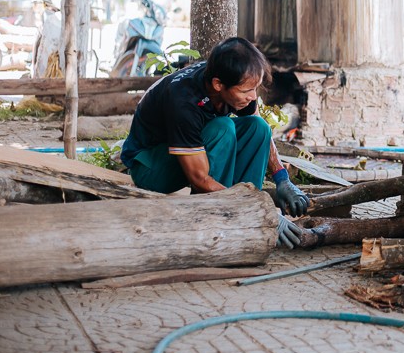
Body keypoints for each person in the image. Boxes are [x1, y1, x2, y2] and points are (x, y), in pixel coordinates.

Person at [120, 36, 307, 249]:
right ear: (218, 85)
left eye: (255, 89)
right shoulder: (183, 99)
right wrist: (262, 209)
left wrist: (282, 178)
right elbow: (199, 179)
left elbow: (259, 127)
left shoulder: (232, 81)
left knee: (258, 127)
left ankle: (242, 218)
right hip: (150, 167)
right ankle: (218, 220)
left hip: (191, 154)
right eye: (246, 91)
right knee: (222, 129)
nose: (253, 96)